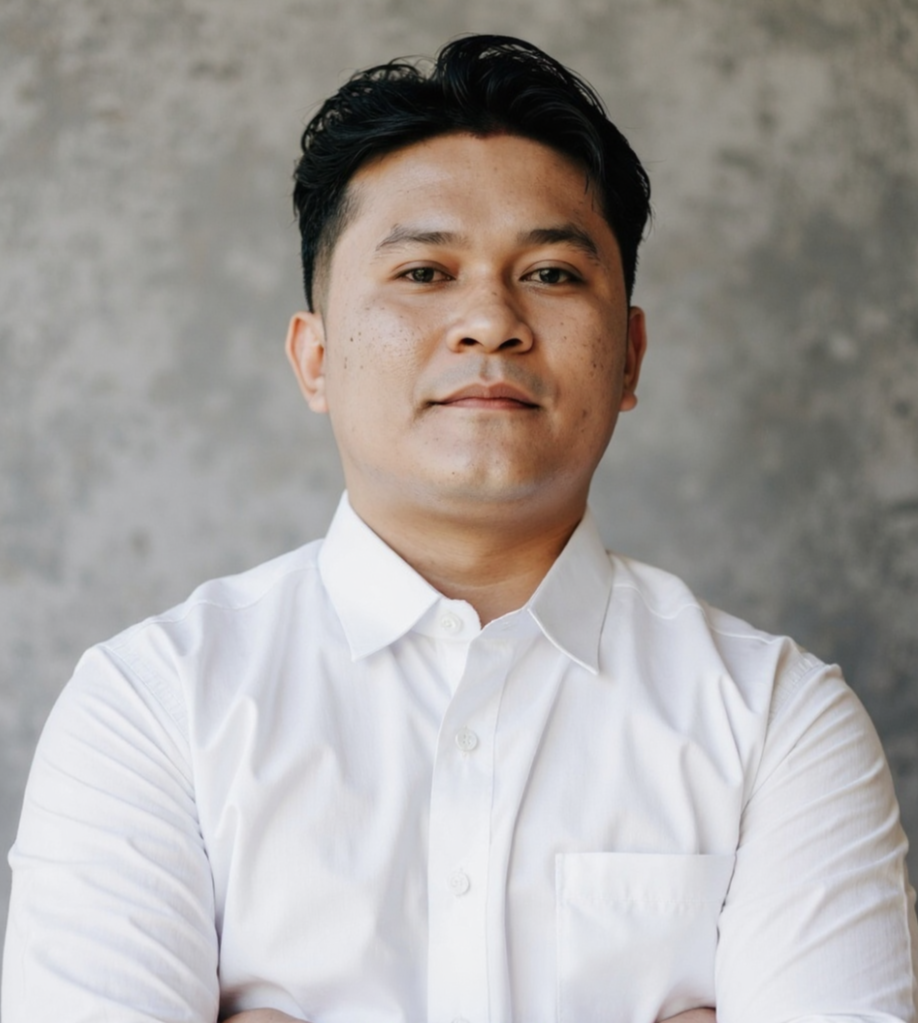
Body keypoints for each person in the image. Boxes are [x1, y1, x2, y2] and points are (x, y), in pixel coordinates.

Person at [3, 33, 916, 1023]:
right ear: (314, 359)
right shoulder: (152, 709)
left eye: (552, 273)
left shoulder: (779, 722)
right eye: (424, 272)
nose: (491, 321)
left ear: (630, 356)